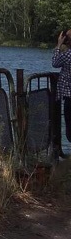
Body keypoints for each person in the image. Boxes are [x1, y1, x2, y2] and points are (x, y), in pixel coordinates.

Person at [52, 29, 71, 158]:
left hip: (69, 96)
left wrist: (59, 45)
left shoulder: (68, 54)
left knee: (70, 129)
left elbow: (54, 63)